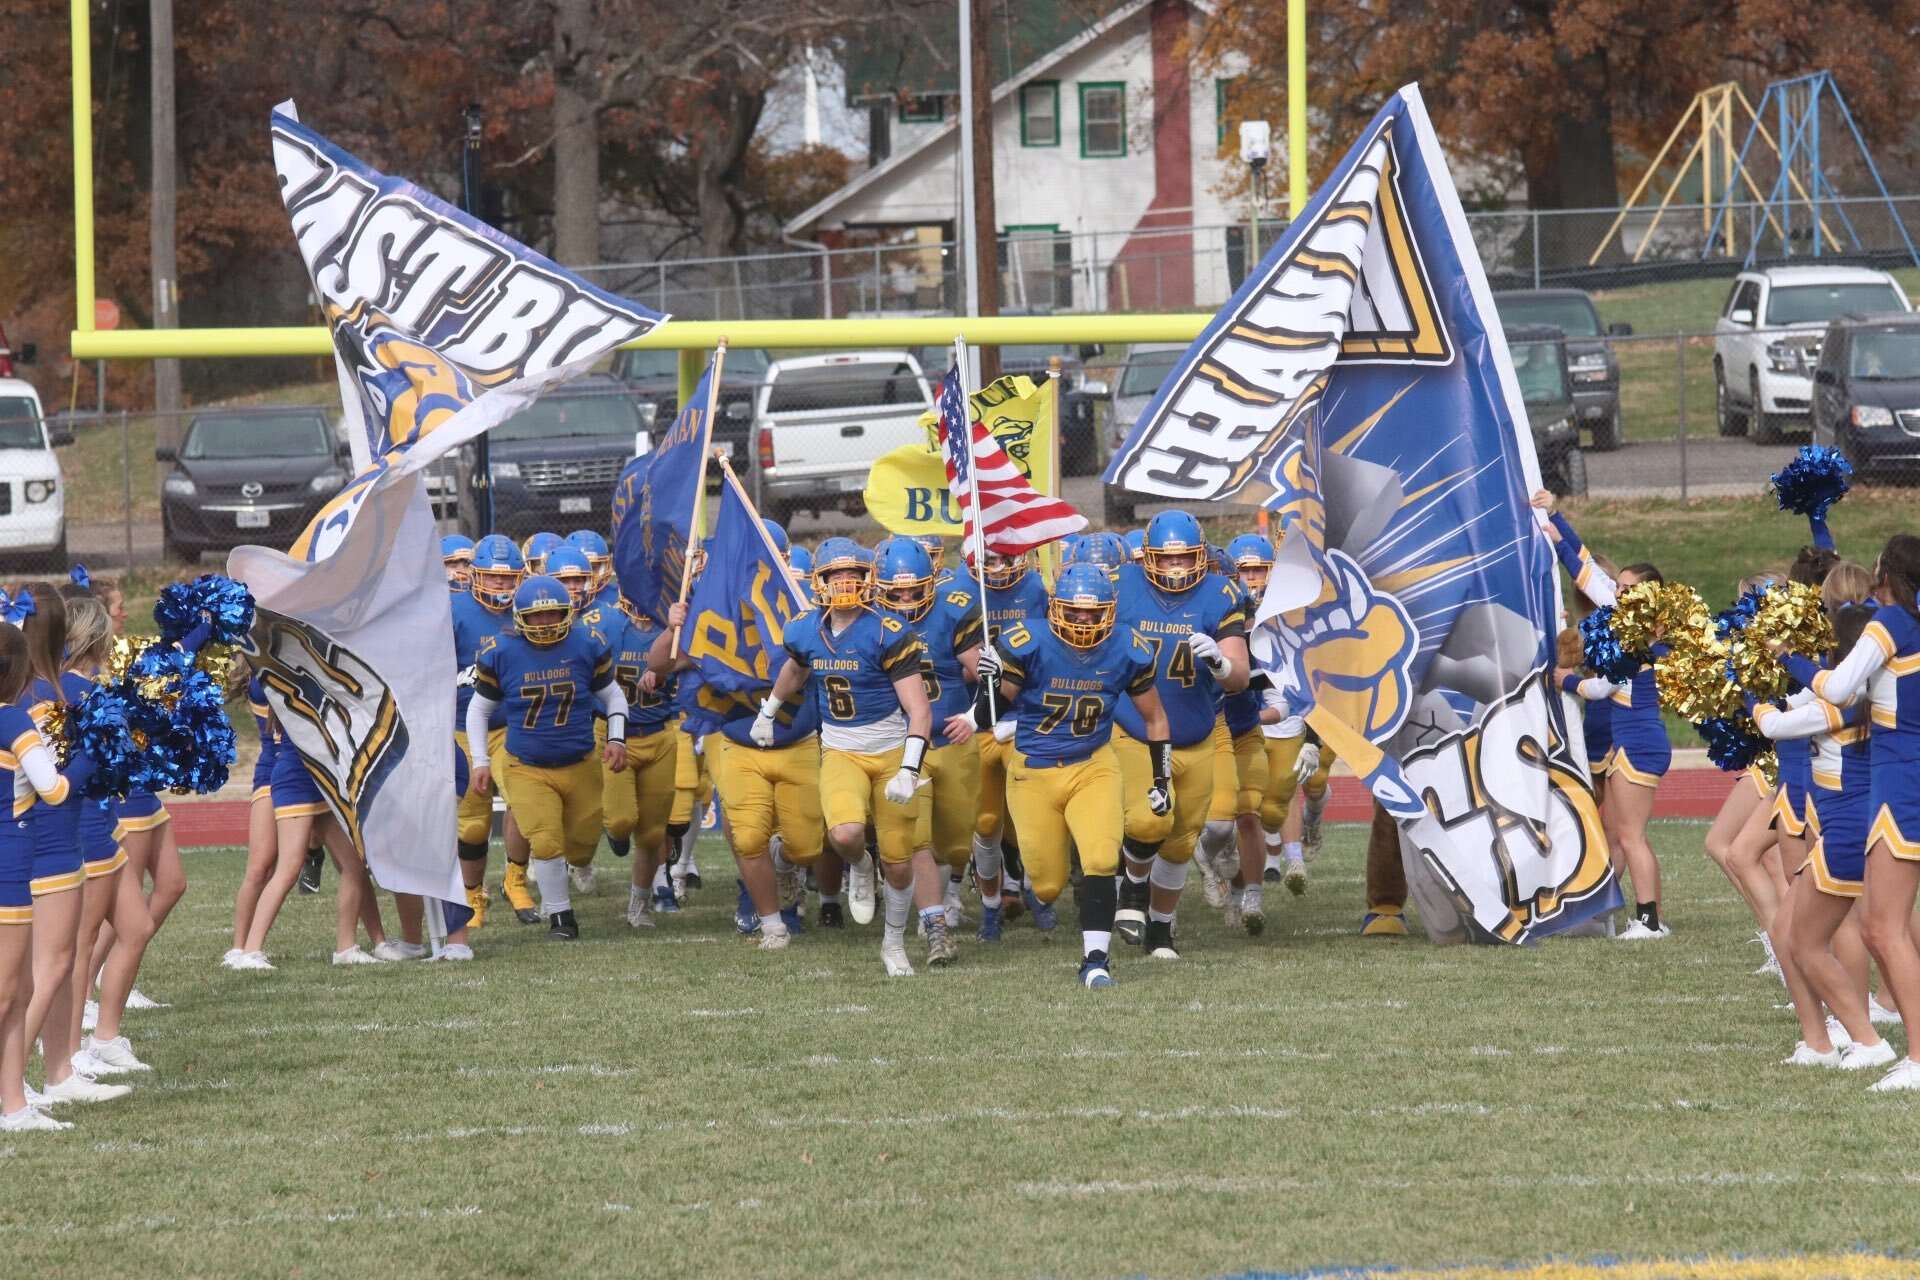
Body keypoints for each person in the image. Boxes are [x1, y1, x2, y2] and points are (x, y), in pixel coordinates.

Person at [983, 563, 1170, 987]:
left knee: (1102, 860)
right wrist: (989, 683)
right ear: (1055, 608)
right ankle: (1033, 874)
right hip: (1033, 771)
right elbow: (987, 714)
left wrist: (1162, 779)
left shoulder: (1128, 647)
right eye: (1075, 610)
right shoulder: (1026, 641)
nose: (1084, 619)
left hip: (1093, 763)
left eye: (1093, 611)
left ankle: (1096, 961)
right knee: (1047, 887)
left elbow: (1155, 718)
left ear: (1110, 610)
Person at [1781, 534, 1920, 1091]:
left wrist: (1792, 661)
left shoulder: (1890, 622)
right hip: (1905, 776)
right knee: (1887, 928)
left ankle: (1916, 1058)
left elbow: (1839, 688)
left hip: (1901, 782)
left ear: (1887, 572)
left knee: (1884, 930)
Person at [761, 536, 937, 974]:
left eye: (853, 575)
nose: (844, 583)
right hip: (840, 748)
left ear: (868, 578)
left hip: (891, 749)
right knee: (842, 835)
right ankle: (860, 865)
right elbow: (797, 667)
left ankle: (893, 943)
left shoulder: (888, 630)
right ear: (819, 581)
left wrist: (909, 769)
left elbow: (919, 710)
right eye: (835, 575)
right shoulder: (805, 628)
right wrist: (770, 709)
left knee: (898, 864)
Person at [1753, 593, 1896, 1070]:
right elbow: (1804, 692)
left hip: (1846, 834)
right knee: (1787, 931)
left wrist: (1748, 696)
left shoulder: (1844, 705)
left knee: (1808, 942)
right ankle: (1818, 1042)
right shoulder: (1864, 695)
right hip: (1839, 829)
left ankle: (1867, 1039)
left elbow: (1775, 724)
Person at [1109, 510, 1250, 958]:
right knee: (1151, 819)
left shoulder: (1221, 593)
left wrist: (1220, 664)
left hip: (1197, 732)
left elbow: (1240, 676)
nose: (1175, 569)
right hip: (1137, 728)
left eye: (1185, 559)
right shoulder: (1122, 585)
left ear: (1201, 557)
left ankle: (1160, 931)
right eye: (1166, 561)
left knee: (1179, 841)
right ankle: (1132, 889)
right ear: (1147, 558)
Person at [467, 574, 628, 940]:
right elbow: (478, 710)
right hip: (526, 764)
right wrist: (480, 761)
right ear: (520, 616)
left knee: (582, 846)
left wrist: (616, 739)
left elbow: (613, 696)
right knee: (545, 841)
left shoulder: (586, 643)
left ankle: (574, 871)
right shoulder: (501, 652)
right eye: (536, 616)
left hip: (581, 761)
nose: (544, 623)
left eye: (553, 615)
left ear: (566, 613)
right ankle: (561, 916)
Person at [0, 613, 99, 1130]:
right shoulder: (14, 720)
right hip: (10, 868)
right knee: (9, 993)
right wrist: (91, 754)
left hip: (14, 865)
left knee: (16, 992)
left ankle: (14, 1106)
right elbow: (55, 791)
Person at [872, 538, 985, 935]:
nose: (904, 599)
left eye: (913, 589)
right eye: (895, 591)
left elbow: (986, 677)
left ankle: (938, 893)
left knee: (954, 844)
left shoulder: (953, 611)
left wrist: (974, 715)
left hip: (950, 736)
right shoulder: (868, 619)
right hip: (896, 742)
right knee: (913, 835)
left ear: (932, 581)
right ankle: (930, 913)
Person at [970, 546, 1053, 931]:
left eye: (1006, 557)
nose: (998, 567)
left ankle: (1035, 888)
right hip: (973, 721)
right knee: (986, 822)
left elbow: (1049, 655)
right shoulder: (957, 592)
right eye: (990, 559)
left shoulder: (1037, 588)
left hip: (1023, 719)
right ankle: (990, 905)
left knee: (1030, 816)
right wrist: (977, 669)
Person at [590, 589, 679, 929]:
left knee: (653, 834)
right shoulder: (603, 623)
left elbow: (697, 661)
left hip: (659, 732)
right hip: (615, 736)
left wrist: (665, 667)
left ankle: (639, 902)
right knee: (620, 821)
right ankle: (613, 832)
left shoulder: (677, 624)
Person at [457, 535, 535, 925]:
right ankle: (473, 897)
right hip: (461, 726)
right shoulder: (453, 610)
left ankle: (515, 880)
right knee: (473, 823)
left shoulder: (528, 609)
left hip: (512, 723)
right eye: (492, 578)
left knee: (524, 802)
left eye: (508, 580)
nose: (502, 587)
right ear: (475, 576)